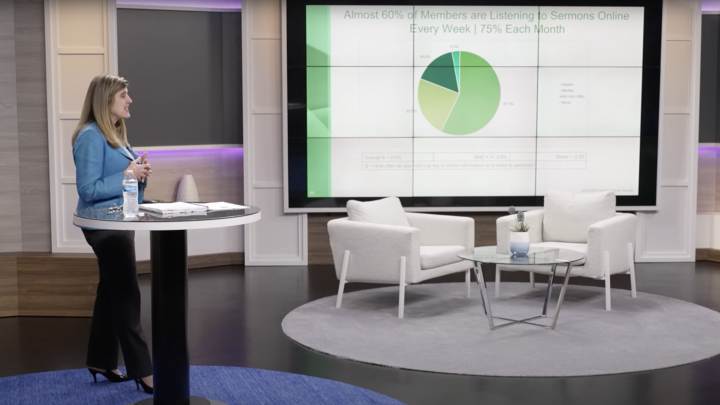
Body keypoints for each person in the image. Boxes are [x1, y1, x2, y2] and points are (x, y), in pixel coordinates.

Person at [71, 74, 154, 394]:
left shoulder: (116, 134)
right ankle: (144, 371)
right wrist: (126, 173)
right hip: (104, 227)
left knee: (111, 292)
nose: (129, 100)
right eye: (123, 95)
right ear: (106, 101)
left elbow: (126, 186)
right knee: (127, 296)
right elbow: (88, 190)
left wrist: (139, 175)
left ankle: (100, 360)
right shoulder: (90, 136)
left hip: (120, 223)